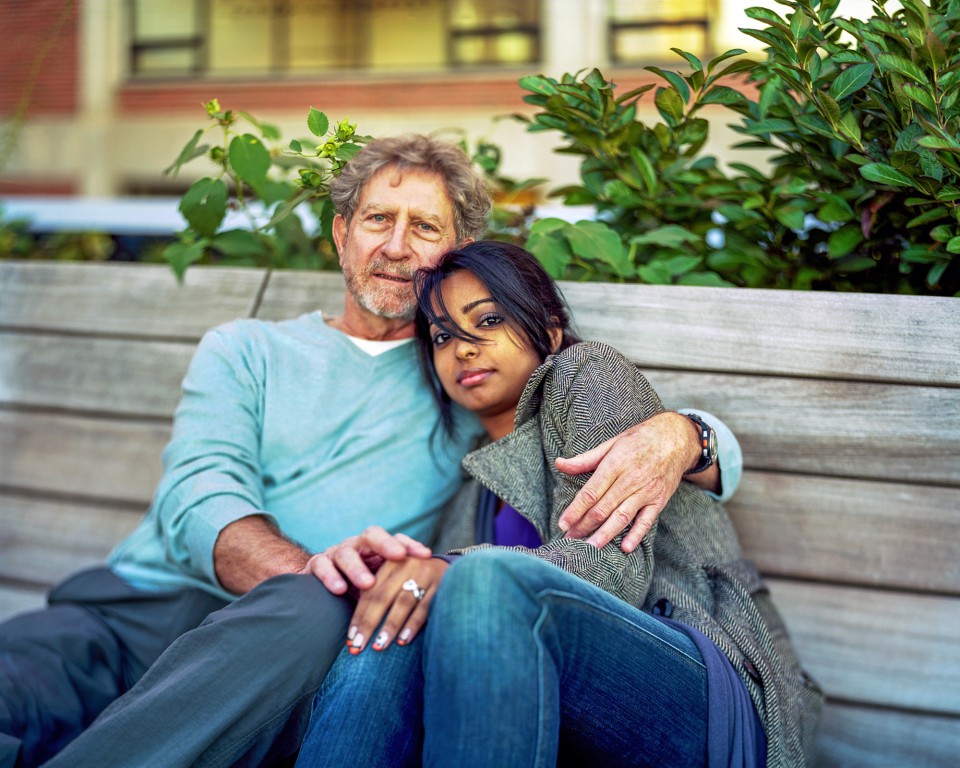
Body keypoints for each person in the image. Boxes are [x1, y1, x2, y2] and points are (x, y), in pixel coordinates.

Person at [1, 136, 740, 768]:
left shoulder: (465, 385)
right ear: (340, 234)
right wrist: (308, 572)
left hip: (296, 643)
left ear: (460, 252)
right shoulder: (248, 349)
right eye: (378, 219)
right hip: (137, 615)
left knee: (318, 619)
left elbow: (578, 404)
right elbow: (200, 491)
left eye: (424, 226)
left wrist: (688, 434)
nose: (395, 244)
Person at [294, 242, 821, 767]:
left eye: (489, 319)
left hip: (710, 694)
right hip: (582, 715)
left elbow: (613, 569)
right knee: (394, 624)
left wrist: (450, 568)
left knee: (478, 581)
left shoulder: (586, 375)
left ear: (546, 331)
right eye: (442, 337)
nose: (464, 348)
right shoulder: (471, 488)